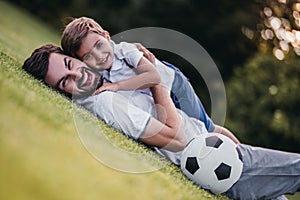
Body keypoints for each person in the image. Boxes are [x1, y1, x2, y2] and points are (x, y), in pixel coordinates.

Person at [22, 43, 300, 200]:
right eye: (65, 81)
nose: (77, 77)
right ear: (60, 91)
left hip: (215, 153)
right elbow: (174, 136)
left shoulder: (106, 84)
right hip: (211, 160)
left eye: (71, 66)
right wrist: (157, 81)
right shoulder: (107, 101)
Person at [60, 17, 239, 143]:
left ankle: (238, 149)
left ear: (107, 36)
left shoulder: (125, 51)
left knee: (207, 128)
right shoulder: (99, 71)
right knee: (191, 129)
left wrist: (117, 86)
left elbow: (154, 77)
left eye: (99, 45)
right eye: (88, 56)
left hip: (174, 86)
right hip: (159, 96)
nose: (99, 56)